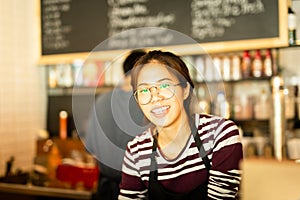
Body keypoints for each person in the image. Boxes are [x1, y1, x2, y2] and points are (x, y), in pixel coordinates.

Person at [118, 50, 243, 199]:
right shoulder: (136, 151)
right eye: (144, 90)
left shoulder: (220, 134)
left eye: (164, 86)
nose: (155, 98)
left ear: (185, 90)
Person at [84, 49, 147, 200]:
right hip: (137, 190)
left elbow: (90, 148)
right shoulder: (146, 103)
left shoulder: (102, 101)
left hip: (105, 188)